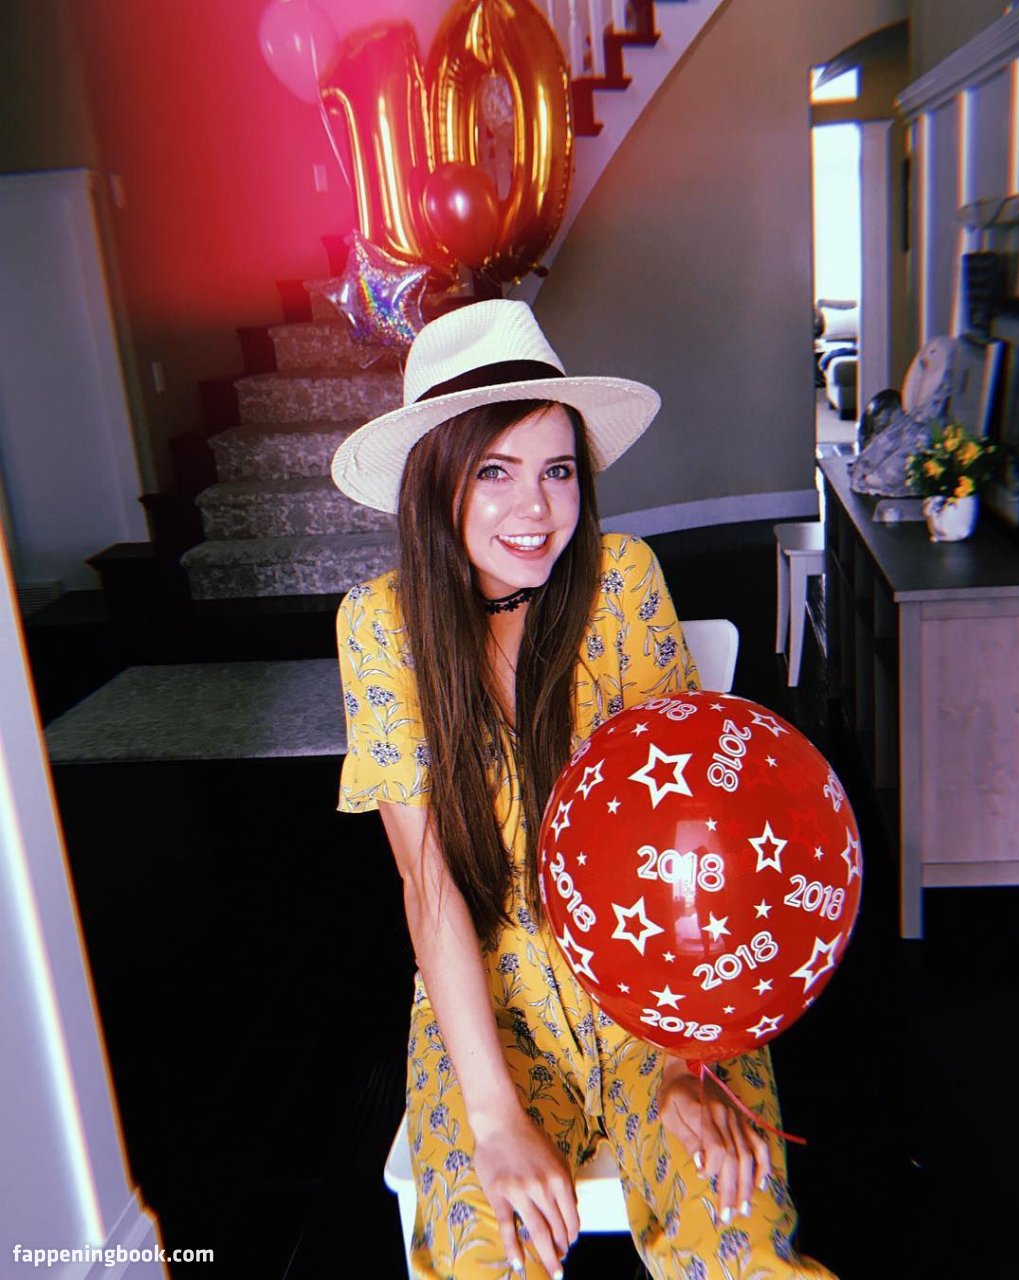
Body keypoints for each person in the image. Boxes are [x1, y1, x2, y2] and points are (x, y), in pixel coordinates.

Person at [332, 301, 834, 1280]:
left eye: (558, 470)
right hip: (493, 1003)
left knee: (739, 1246)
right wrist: (494, 1118)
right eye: (495, 471)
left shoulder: (623, 582)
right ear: (433, 477)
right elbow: (429, 884)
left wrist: (686, 1061)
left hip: (665, 977)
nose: (536, 508)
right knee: (484, 1254)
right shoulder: (380, 625)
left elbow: (692, 833)